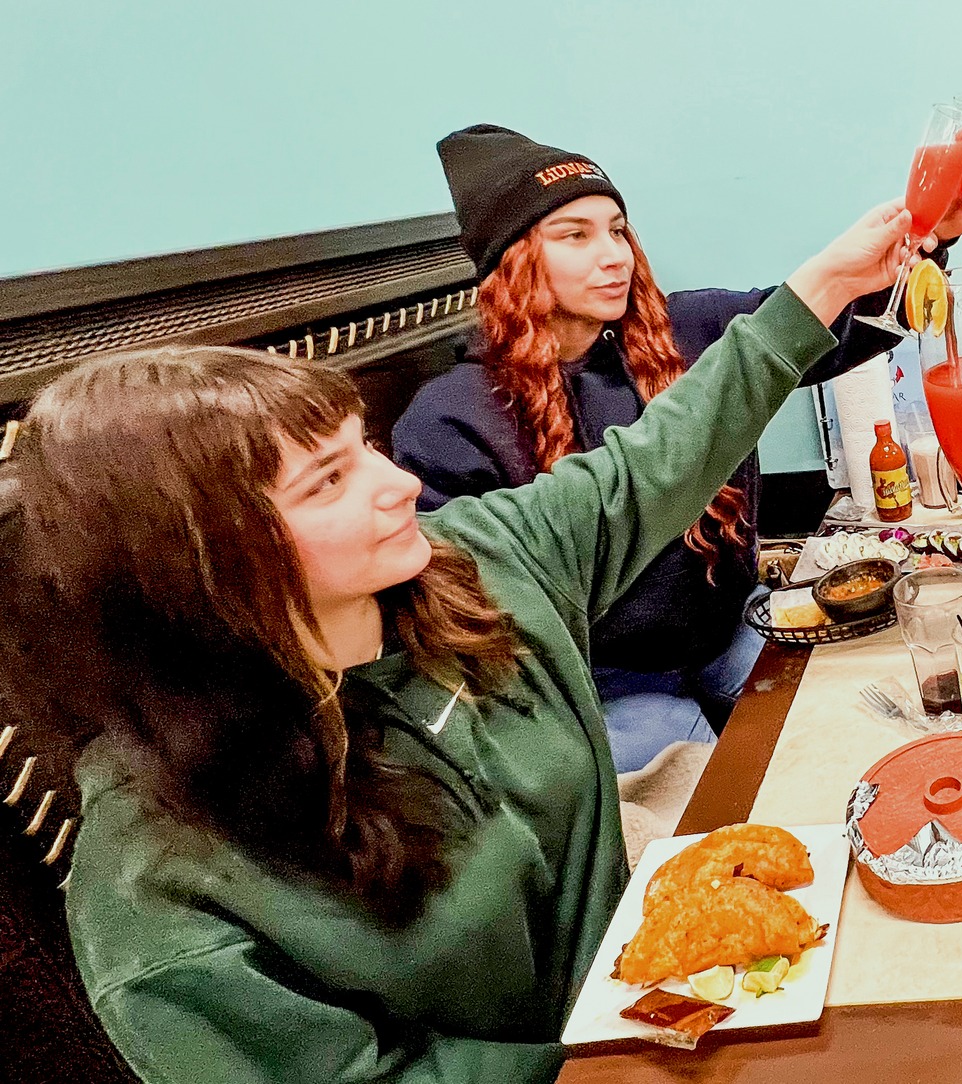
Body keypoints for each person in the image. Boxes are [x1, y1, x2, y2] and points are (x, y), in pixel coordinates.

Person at [0, 200, 915, 1083]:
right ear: (194, 567)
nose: (397, 482)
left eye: (365, 447)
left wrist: (822, 287)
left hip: (671, 1016)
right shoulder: (162, 899)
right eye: (328, 482)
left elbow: (651, 463)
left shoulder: (478, 559)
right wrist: (615, 1060)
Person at [394, 125, 962, 772]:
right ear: (512, 262)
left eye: (617, 229)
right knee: (721, 789)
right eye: (575, 236)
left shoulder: (687, 332)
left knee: (848, 724)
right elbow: (469, 626)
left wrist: (936, 235)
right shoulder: (451, 421)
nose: (613, 254)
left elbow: (829, 327)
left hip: (730, 628)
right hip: (608, 687)